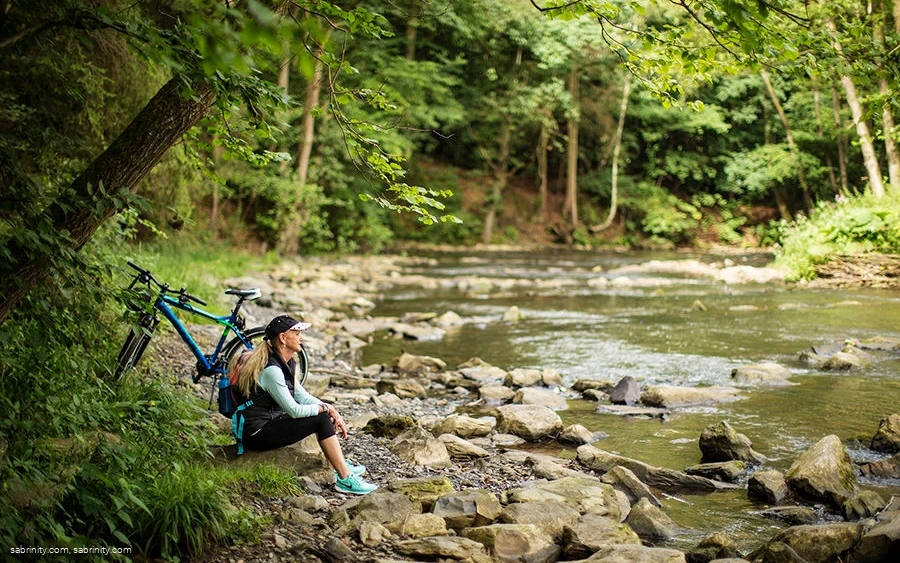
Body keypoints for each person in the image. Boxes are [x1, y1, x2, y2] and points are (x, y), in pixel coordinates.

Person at [230, 314, 377, 495]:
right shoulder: (272, 370)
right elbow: (294, 410)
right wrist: (324, 410)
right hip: (256, 432)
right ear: (283, 338)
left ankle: (338, 463)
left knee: (323, 413)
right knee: (320, 418)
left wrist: (331, 408)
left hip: (270, 420)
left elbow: (302, 396)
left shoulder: (287, 362)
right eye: (297, 333)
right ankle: (345, 479)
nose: (302, 338)